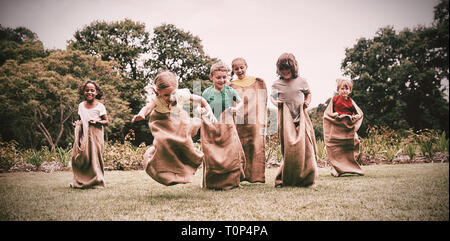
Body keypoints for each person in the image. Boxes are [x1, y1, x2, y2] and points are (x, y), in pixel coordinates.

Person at [132, 71, 216, 186]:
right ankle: (159, 165)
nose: (170, 98)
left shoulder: (181, 94)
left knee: (183, 141)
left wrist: (209, 110)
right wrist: (141, 114)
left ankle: (189, 163)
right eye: (166, 95)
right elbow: (147, 108)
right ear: (158, 92)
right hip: (161, 121)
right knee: (164, 141)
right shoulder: (156, 100)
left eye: (173, 93)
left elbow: (200, 99)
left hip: (179, 119)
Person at [270, 53, 318, 187]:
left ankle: (307, 178)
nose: (285, 71)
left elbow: (308, 93)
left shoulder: (301, 81)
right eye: (282, 69)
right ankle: (283, 178)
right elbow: (272, 97)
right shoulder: (276, 84)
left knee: (305, 148)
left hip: (300, 118)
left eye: (288, 68)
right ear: (278, 69)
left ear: (294, 68)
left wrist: (307, 102)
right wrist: (276, 102)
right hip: (286, 120)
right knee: (289, 150)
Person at [200, 61, 245, 190]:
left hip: (228, 126)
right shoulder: (207, 93)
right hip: (212, 127)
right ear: (211, 77)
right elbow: (199, 107)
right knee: (211, 153)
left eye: (224, 77)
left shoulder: (230, 91)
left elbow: (241, 102)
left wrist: (237, 108)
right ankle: (211, 182)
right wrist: (202, 111)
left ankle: (234, 181)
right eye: (218, 77)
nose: (221, 80)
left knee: (232, 152)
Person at [229, 57, 267, 183]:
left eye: (241, 67)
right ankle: (239, 175)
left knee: (256, 145)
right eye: (236, 69)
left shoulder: (256, 82)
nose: (239, 70)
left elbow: (262, 100)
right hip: (238, 120)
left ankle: (256, 176)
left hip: (254, 119)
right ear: (233, 70)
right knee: (238, 146)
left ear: (246, 67)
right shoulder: (231, 86)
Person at [71, 80, 109, 189]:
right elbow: (81, 119)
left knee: (95, 159)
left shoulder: (100, 106)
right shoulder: (81, 106)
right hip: (84, 136)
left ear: (96, 92)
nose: (89, 92)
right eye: (87, 90)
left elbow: (106, 122)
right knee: (82, 158)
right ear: (83, 92)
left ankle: (97, 181)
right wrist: (77, 124)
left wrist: (96, 122)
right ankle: (82, 180)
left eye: (92, 90)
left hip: (96, 137)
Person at [323, 78, 364, 177]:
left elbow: (359, 113)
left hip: (348, 128)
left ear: (350, 90)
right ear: (338, 90)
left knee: (355, 142)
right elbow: (328, 113)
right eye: (342, 88)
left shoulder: (351, 101)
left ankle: (350, 166)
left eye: (346, 88)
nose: (344, 90)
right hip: (337, 127)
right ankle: (336, 168)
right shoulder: (335, 99)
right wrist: (335, 115)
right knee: (336, 148)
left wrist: (355, 117)